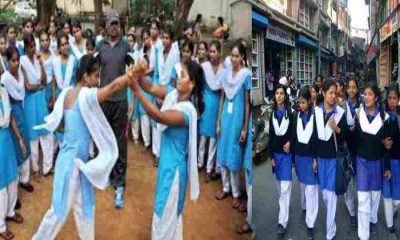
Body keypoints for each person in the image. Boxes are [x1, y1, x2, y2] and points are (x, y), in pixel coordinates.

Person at [32, 55, 146, 240]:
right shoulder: (85, 95)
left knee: (85, 207)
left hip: (78, 164)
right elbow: (114, 87)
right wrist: (133, 74)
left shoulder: (68, 93)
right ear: (85, 76)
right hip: (70, 166)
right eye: (95, 76)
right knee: (57, 213)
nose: (98, 81)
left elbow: (59, 124)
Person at [130, 59, 201, 240]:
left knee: (164, 217)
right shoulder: (173, 94)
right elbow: (151, 87)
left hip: (174, 172)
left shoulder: (187, 111)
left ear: (191, 84)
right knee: (168, 218)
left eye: (183, 75)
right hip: (167, 166)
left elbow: (159, 116)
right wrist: (140, 71)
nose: (178, 77)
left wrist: (136, 92)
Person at [95, 15, 134, 208]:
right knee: (103, 139)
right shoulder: (100, 45)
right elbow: (94, 70)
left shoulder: (126, 46)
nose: (113, 28)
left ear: (120, 27)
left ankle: (119, 183)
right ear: (106, 27)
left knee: (120, 142)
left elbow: (133, 67)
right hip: (103, 100)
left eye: (116, 25)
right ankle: (105, 174)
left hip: (120, 101)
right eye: (111, 24)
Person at [215, 42, 251, 209]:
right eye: (233, 55)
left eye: (237, 55)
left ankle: (236, 193)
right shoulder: (225, 74)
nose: (234, 58)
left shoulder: (246, 75)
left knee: (234, 156)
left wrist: (244, 127)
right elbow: (222, 97)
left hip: (237, 120)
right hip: (225, 119)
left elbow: (247, 104)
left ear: (242, 57)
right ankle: (225, 188)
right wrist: (218, 122)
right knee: (222, 154)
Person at [313, 79, 348, 240]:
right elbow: (314, 137)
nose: (334, 96)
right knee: (325, 195)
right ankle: (331, 224)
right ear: (324, 94)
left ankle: (330, 233)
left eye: (336, 93)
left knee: (331, 195)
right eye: (330, 93)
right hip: (321, 160)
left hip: (334, 159)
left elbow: (347, 135)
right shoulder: (317, 112)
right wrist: (314, 159)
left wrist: (337, 128)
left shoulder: (340, 113)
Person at [355, 82, 391, 240]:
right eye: (365, 94)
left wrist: (387, 166)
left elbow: (387, 145)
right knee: (363, 197)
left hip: (377, 162)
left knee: (375, 195)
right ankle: (363, 235)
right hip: (362, 161)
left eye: (370, 94)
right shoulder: (359, 114)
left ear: (376, 97)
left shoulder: (384, 118)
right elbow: (354, 139)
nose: (367, 97)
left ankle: (372, 220)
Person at [20, 33, 54, 178]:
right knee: (33, 136)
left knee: (46, 132)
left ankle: (47, 167)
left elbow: (45, 80)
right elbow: (27, 86)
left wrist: (40, 63)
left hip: (40, 100)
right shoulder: (22, 61)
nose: (33, 49)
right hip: (29, 102)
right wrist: (39, 87)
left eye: (34, 45)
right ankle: (35, 168)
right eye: (30, 46)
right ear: (26, 47)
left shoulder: (37, 59)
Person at [0, 83, 26, 240]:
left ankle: (10, 212)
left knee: (12, 176)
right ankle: (1, 225)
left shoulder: (3, 89)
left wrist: (19, 138)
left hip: (6, 139)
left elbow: (10, 119)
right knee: (1, 184)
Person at [292, 86, 318, 239]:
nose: (301, 105)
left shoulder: (315, 117)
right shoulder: (296, 116)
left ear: (309, 101)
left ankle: (311, 223)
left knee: (311, 191)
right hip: (299, 158)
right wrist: (293, 158)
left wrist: (315, 158)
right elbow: (294, 138)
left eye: (303, 102)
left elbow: (315, 139)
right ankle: (305, 208)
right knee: (303, 187)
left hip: (310, 158)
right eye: (299, 103)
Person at [268, 83, 293, 235]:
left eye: (281, 93)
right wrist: (271, 156)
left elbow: (293, 133)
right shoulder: (272, 113)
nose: (279, 96)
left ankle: (282, 222)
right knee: (280, 190)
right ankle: (284, 208)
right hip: (276, 156)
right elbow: (271, 136)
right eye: (277, 93)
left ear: (285, 96)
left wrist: (290, 142)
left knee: (285, 189)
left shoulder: (290, 113)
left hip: (287, 156)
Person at [198, 40, 223, 182]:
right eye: (211, 51)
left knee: (213, 139)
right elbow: (199, 87)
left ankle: (209, 168)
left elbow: (222, 93)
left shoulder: (223, 69)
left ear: (219, 53)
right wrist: (198, 105)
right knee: (203, 138)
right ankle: (199, 163)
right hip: (205, 103)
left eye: (214, 51)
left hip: (216, 105)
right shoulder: (204, 67)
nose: (212, 54)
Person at [343, 77, 361, 228]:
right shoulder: (343, 106)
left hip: (361, 149)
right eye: (349, 87)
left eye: (354, 87)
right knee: (349, 181)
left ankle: (361, 209)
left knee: (359, 181)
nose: (352, 90)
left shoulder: (363, 104)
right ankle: (352, 212)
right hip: (347, 149)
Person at [382, 83, 400, 236]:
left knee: (397, 200)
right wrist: (382, 142)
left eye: (395, 98)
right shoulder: (384, 117)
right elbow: (379, 139)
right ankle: (390, 224)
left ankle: (395, 211)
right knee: (387, 195)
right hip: (387, 160)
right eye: (390, 98)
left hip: (398, 161)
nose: (392, 101)